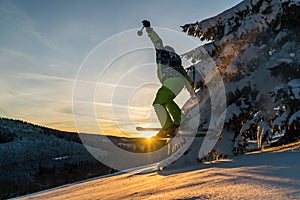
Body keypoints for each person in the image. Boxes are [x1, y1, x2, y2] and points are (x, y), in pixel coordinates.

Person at [142, 20, 195, 137]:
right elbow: (184, 74)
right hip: (179, 83)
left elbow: (157, 41)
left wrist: (149, 29)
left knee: (157, 103)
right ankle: (179, 122)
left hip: (170, 82)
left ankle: (168, 128)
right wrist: (191, 89)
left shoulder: (162, 53)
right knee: (167, 102)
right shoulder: (176, 60)